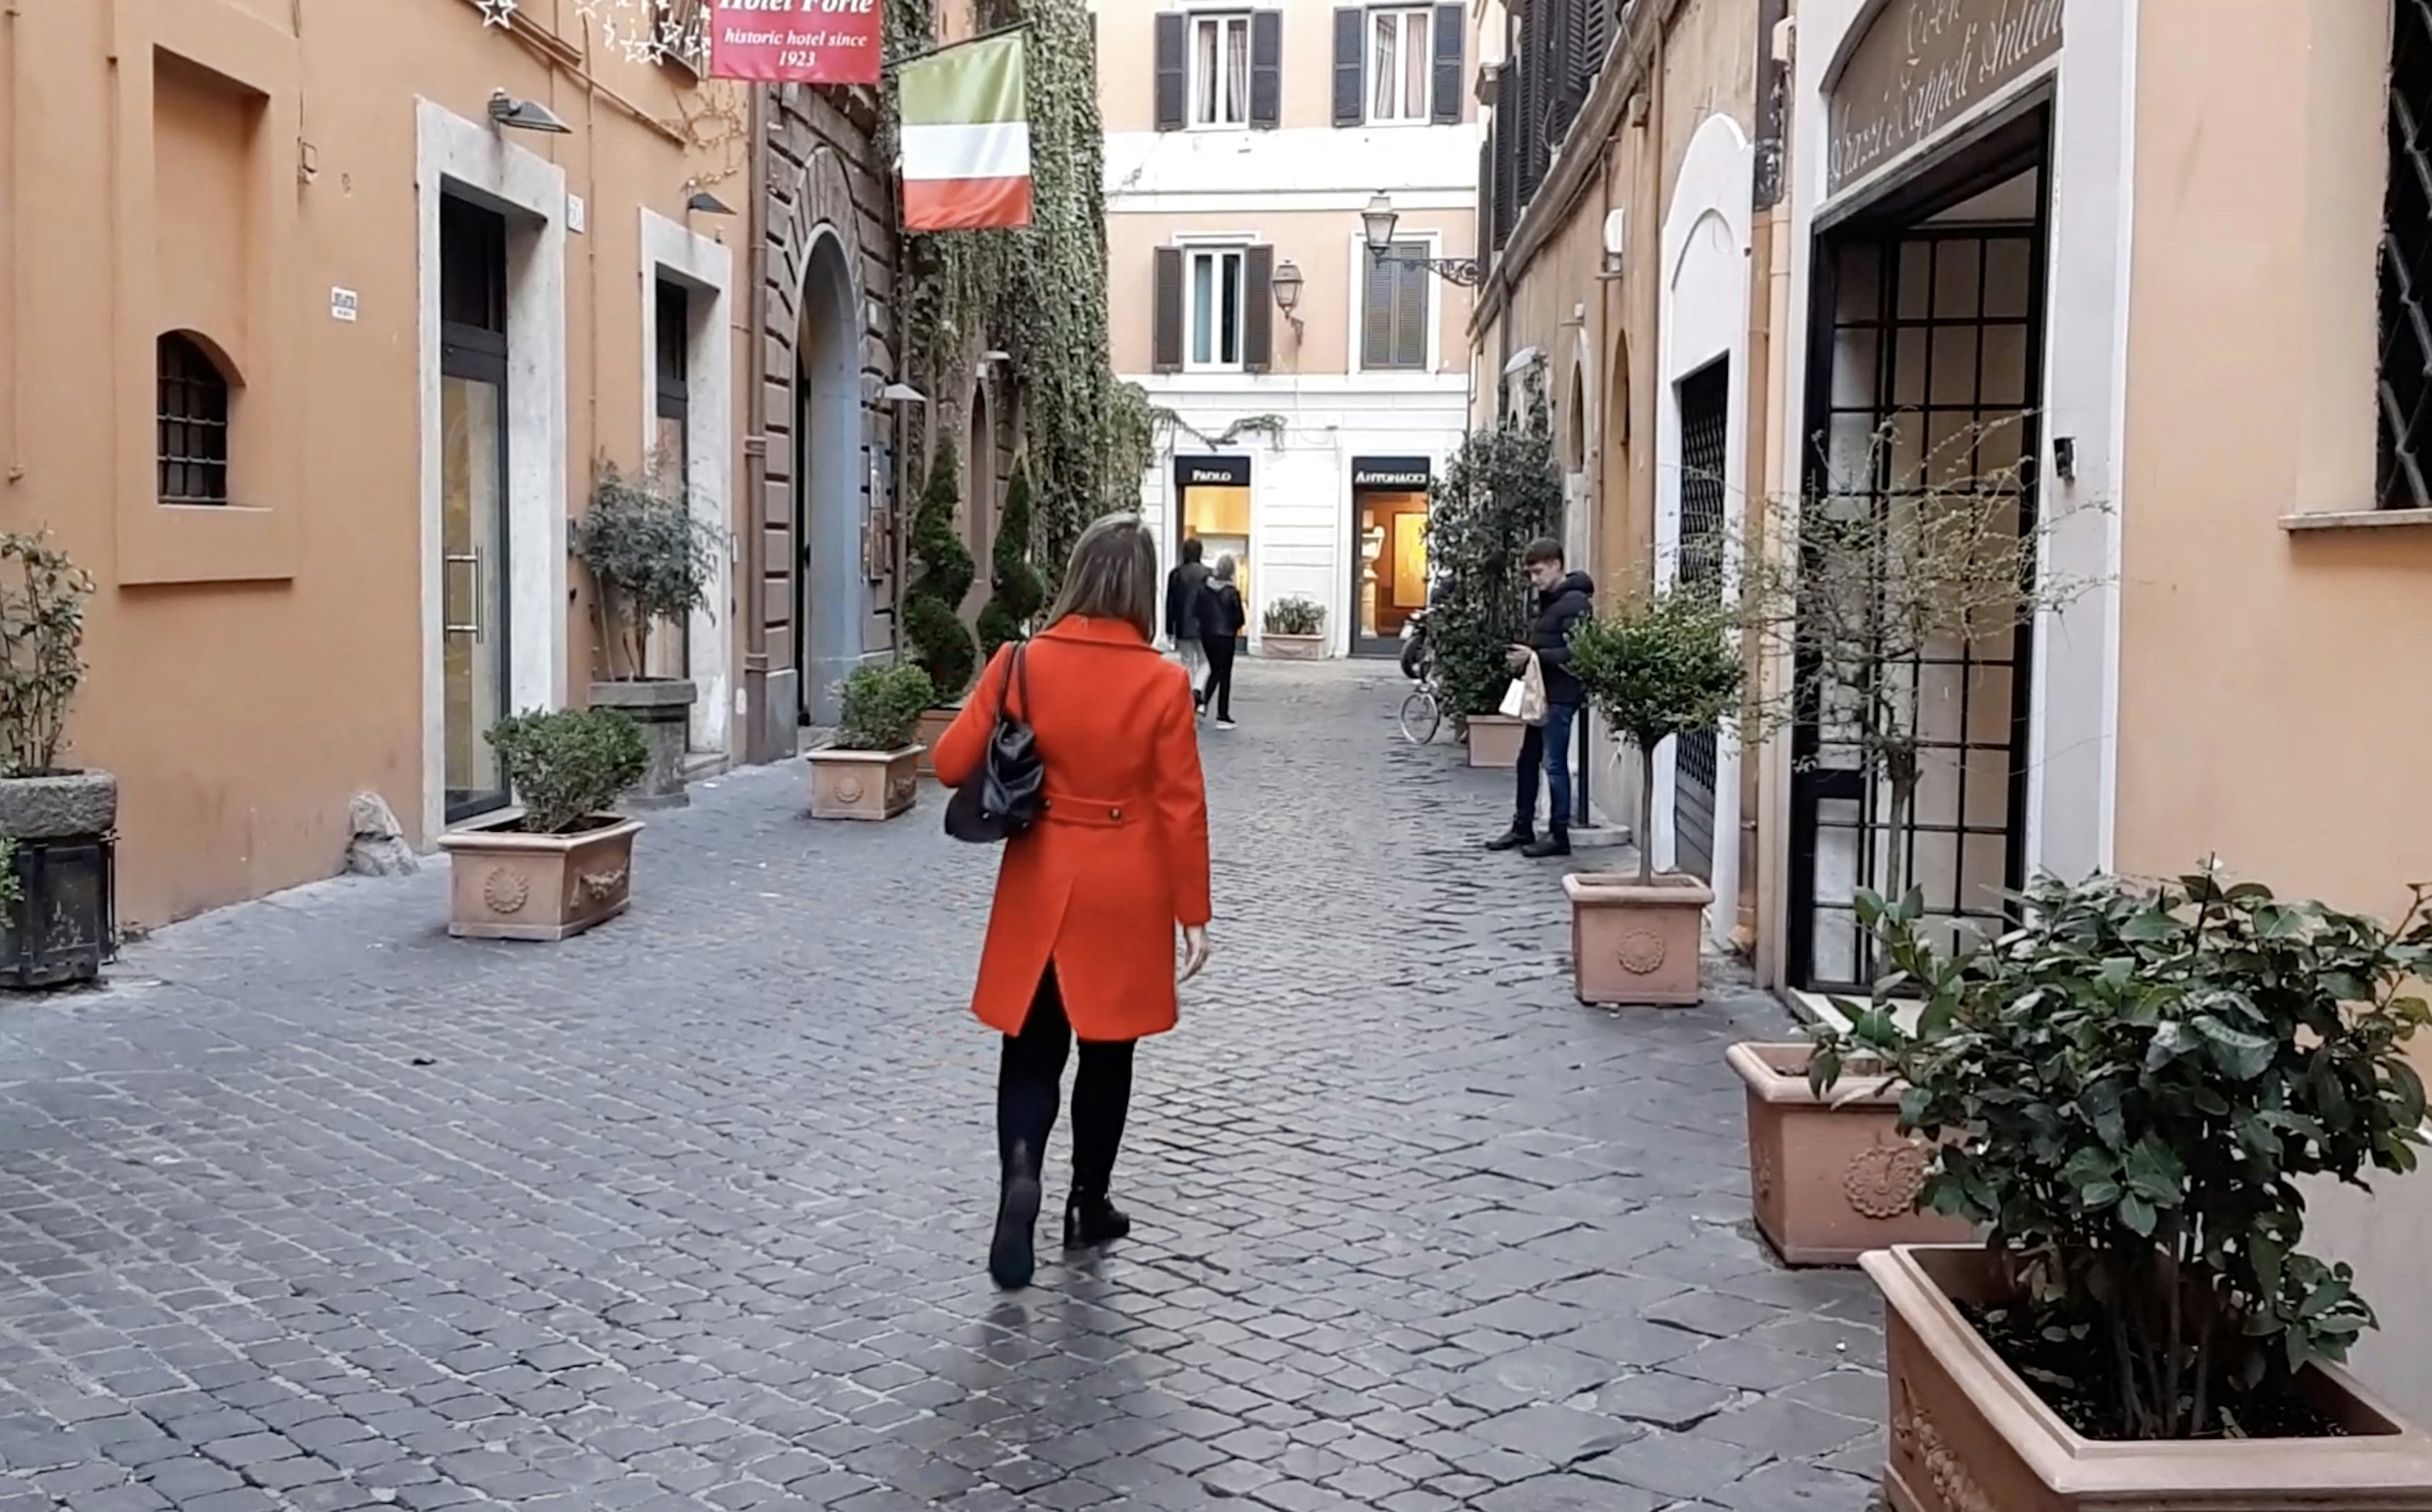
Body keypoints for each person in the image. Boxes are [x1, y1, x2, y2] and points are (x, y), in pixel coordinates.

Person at [935, 515, 1215, 1290]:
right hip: (1125, 886)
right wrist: (1194, 912)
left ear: (1078, 574)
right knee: (1108, 1050)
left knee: (1030, 1050)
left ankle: (1018, 1178)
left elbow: (950, 758)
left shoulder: (1020, 661)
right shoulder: (1162, 683)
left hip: (1040, 875)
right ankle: (1087, 1202)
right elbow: (1181, 805)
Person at [1486, 539, 1594, 859]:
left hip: (1561, 695)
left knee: (1555, 763)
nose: (1535, 581)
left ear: (1557, 565)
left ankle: (1558, 834)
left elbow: (1578, 652)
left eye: (1538, 572)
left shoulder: (1576, 603)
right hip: (1542, 693)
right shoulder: (1552, 600)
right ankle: (1523, 826)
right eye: (1530, 574)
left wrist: (1534, 655)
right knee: (1528, 760)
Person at [1164, 538, 1213, 713]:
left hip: (1183, 624)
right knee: (1205, 662)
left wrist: (1169, 628)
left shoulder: (1175, 575)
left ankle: (1189, 697)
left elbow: (1170, 603)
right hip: (1205, 625)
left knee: (1186, 662)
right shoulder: (1209, 574)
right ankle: (1198, 690)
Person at [1200, 555, 1246, 729]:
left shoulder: (1206, 588)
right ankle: (1222, 715)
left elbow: (1199, 610)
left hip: (1208, 634)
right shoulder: (1232, 592)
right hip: (1226, 636)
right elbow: (1239, 617)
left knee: (1215, 670)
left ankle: (1203, 702)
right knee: (1224, 674)